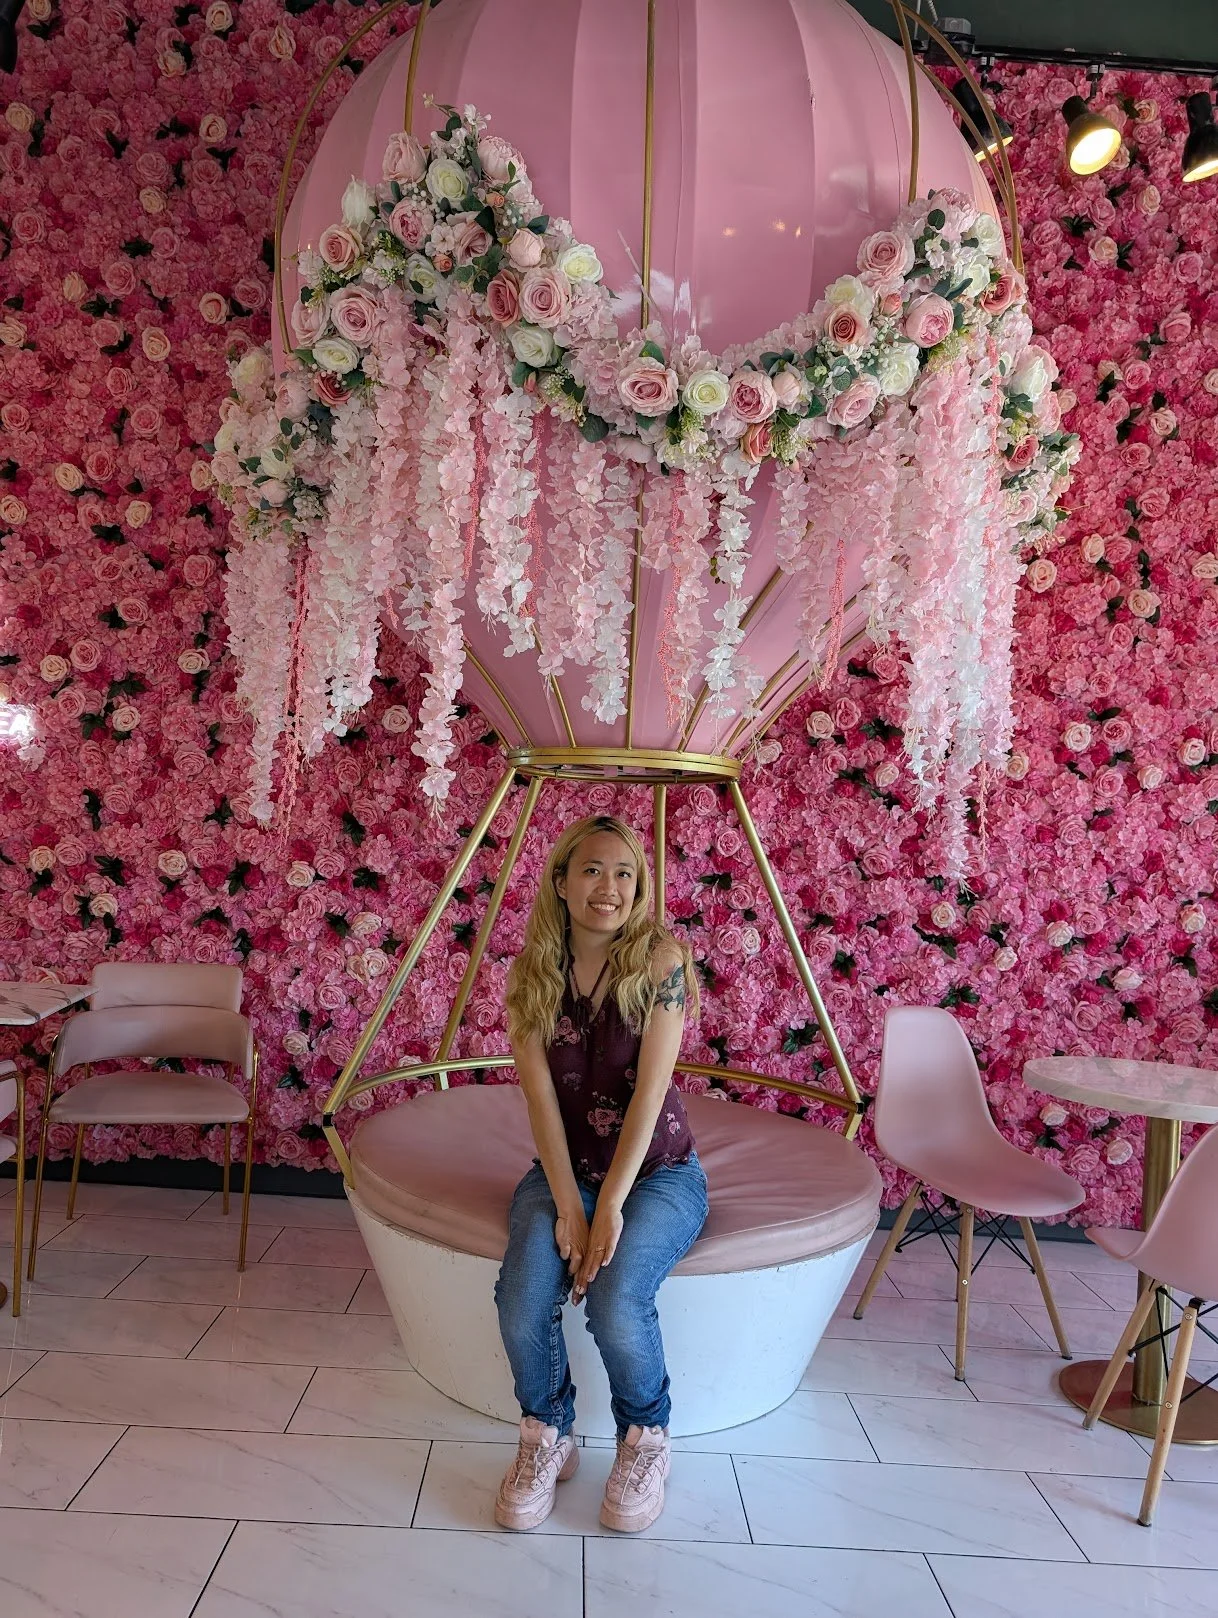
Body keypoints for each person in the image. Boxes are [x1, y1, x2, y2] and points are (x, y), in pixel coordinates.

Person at [493, 814, 708, 1533]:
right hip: (568, 1169)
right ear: (560, 881)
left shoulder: (660, 961)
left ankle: (646, 1437)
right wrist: (568, 1207)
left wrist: (607, 1208)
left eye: (624, 873)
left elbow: (650, 1095)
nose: (608, 888)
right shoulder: (533, 974)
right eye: (591, 870)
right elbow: (541, 1100)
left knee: (617, 1299)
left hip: (659, 1174)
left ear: (640, 887)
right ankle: (548, 1433)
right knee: (523, 1297)